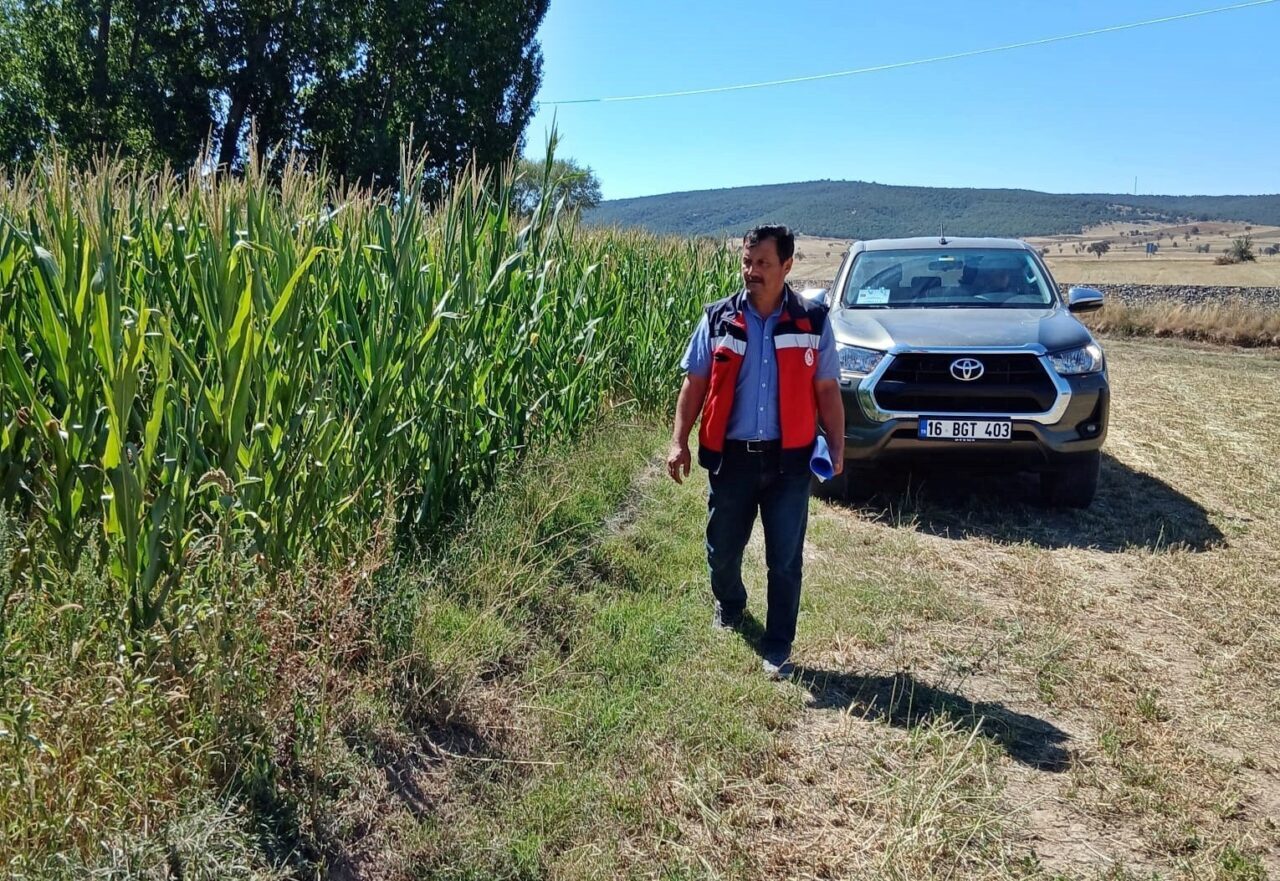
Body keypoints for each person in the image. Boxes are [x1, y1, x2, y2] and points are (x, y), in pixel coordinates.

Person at [667, 224, 845, 678]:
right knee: (723, 549)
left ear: (787, 266)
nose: (752, 271)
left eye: (763, 263)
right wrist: (678, 441)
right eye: (748, 262)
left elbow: (827, 390)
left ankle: (778, 641)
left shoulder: (812, 323)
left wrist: (838, 446)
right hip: (733, 459)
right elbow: (695, 383)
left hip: (790, 462)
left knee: (784, 558)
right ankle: (730, 603)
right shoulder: (718, 318)